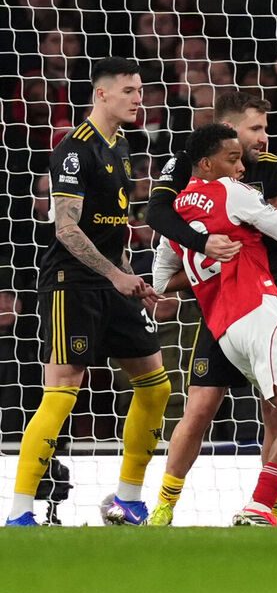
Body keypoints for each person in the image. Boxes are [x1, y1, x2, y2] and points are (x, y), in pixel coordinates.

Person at [143, 91, 277, 527]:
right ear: (226, 135)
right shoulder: (217, 181)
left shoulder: (255, 174)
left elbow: (161, 273)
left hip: (230, 316)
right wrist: (244, 231)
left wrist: (210, 258)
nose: (262, 138)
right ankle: (252, 505)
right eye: (254, 129)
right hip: (256, 306)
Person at [8, 57, 172, 527]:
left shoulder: (121, 146)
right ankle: (20, 512)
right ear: (102, 94)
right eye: (129, 91)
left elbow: (113, 229)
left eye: (140, 91)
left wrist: (133, 280)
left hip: (112, 282)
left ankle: (127, 499)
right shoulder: (74, 149)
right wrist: (115, 275)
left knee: (156, 386)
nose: (139, 99)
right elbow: (66, 229)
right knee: (63, 391)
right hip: (71, 283)